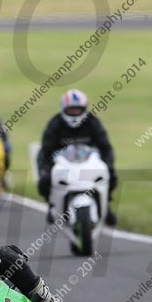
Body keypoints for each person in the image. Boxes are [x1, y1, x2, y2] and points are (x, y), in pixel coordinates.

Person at [36, 89, 118, 226]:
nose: (74, 114)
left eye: (77, 110)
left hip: (88, 162)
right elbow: (46, 150)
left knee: (111, 174)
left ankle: (106, 205)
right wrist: (48, 167)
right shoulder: (55, 124)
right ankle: (52, 205)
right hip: (62, 163)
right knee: (45, 180)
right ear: (64, 109)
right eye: (71, 110)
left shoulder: (92, 122)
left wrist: (107, 164)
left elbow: (105, 146)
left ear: (84, 109)